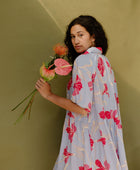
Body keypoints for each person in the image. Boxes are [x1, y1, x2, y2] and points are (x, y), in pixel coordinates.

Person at [35, 15, 128, 170]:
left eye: (80, 35)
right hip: (104, 140)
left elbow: (82, 109)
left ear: (93, 37)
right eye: (72, 37)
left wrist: (48, 95)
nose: (76, 41)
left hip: (86, 140)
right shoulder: (103, 60)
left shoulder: (84, 61)